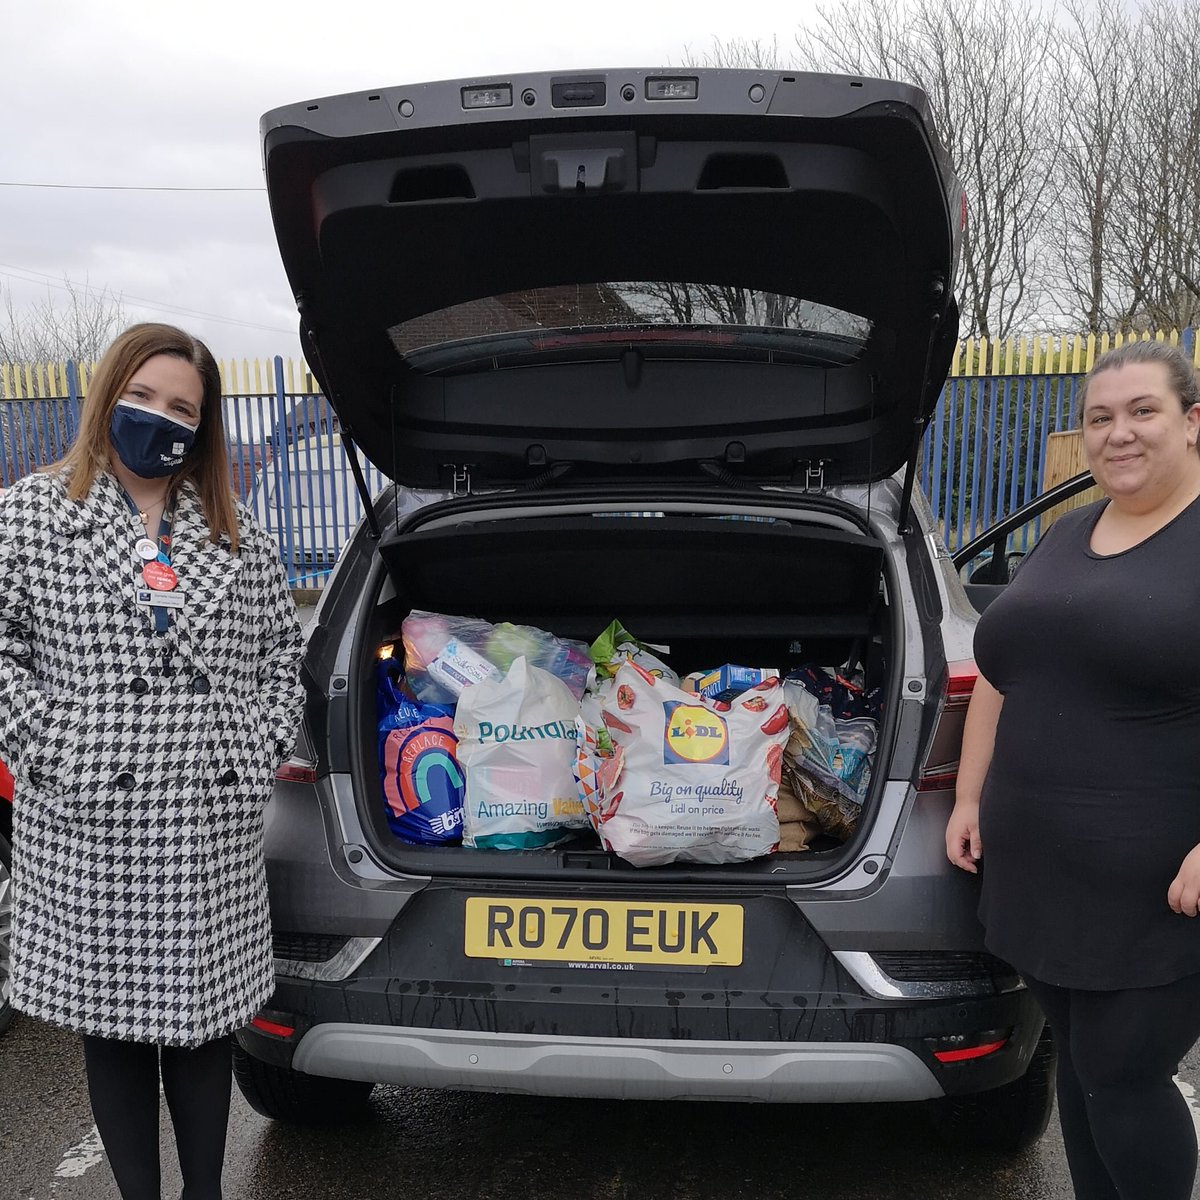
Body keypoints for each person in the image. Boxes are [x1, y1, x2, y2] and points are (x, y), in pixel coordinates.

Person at [0, 323, 304, 1200]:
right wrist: (51, 745)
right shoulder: (32, 514)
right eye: (142, 397)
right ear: (106, 397)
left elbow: (283, 661)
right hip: (90, 817)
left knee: (205, 1032)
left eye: (181, 407)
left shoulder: (234, 533)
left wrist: (247, 754)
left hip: (202, 822)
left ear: (202, 427)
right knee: (115, 1033)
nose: (158, 419)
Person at [946, 339, 1200, 1200]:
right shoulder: (1065, 533)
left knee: (1125, 1079)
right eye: (1100, 418)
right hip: (1040, 871)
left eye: (1142, 412)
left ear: (1193, 422)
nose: (1117, 434)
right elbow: (1001, 673)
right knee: (1083, 1078)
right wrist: (970, 796)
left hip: (1158, 884)